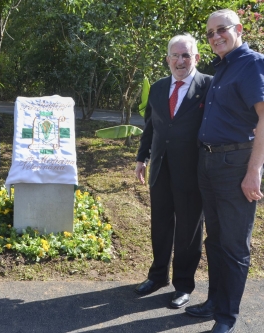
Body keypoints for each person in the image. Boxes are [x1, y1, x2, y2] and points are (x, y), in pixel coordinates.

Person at [184, 9, 264, 333]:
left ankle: (226, 318)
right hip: (209, 164)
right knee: (214, 240)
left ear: (239, 29)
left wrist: (254, 169)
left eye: (222, 30)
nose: (215, 36)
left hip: (236, 167)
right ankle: (214, 302)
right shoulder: (222, 68)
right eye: (209, 33)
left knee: (233, 246)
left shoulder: (252, 64)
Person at [134, 34, 212, 309]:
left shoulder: (209, 86)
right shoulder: (157, 88)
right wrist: (141, 158)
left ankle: (183, 285)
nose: (180, 61)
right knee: (161, 225)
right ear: (167, 58)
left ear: (197, 58)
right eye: (175, 56)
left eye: (186, 55)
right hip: (161, 169)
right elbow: (151, 127)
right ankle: (157, 277)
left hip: (193, 171)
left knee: (188, 230)